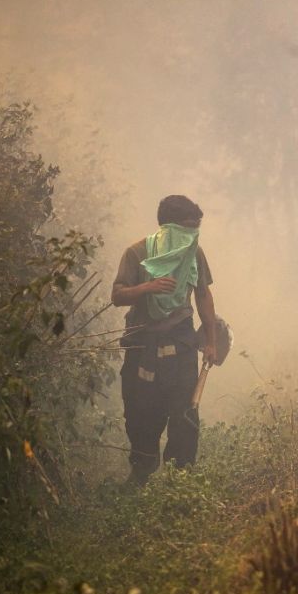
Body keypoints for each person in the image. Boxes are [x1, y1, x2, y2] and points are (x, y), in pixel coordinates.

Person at [112, 194, 217, 485]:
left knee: (184, 413)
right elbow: (117, 295)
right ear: (168, 228)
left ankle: (179, 482)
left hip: (182, 344)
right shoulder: (137, 253)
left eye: (195, 229)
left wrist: (210, 341)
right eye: (186, 228)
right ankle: (141, 472)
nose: (191, 235)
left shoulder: (194, 254)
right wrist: (148, 286)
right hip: (142, 344)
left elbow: (204, 296)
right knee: (139, 411)